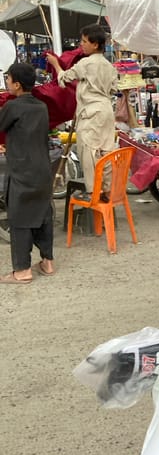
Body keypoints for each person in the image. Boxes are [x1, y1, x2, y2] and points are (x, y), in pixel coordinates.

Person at [46, 24, 118, 199]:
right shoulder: (109, 66)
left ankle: (94, 191)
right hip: (106, 111)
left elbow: (64, 78)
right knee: (106, 151)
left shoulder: (86, 63)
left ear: (95, 44)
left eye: (84, 41)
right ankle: (108, 189)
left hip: (91, 112)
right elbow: (114, 89)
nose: (81, 45)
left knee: (89, 152)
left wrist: (56, 64)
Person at [0, 62, 55, 283]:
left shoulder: (13, 107)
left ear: (17, 84)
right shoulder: (41, 106)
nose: (6, 82)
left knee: (20, 219)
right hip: (42, 168)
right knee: (43, 215)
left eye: (8, 78)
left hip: (23, 171)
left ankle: (22, 271)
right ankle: (47, 262)